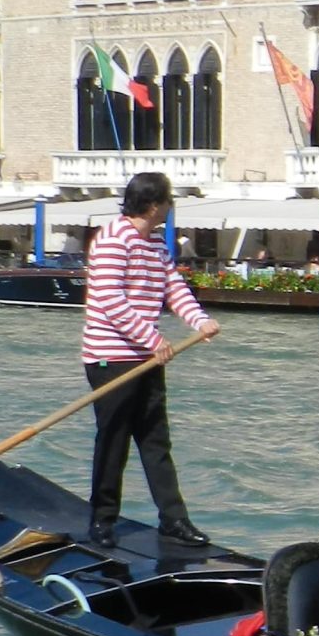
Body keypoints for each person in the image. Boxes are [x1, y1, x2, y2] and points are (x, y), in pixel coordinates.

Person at [80, 171, 220, 550]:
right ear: (155, 205)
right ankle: (102, 519)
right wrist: (153, 338)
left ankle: (174, 520)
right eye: (169, 200)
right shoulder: (112, 240)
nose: (171, 207)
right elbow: (110, 300)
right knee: (114, 441)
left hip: (147, 357)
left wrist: (199, 320)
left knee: (156, 441)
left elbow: (173, 288)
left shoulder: (155, 244)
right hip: (110, 358)